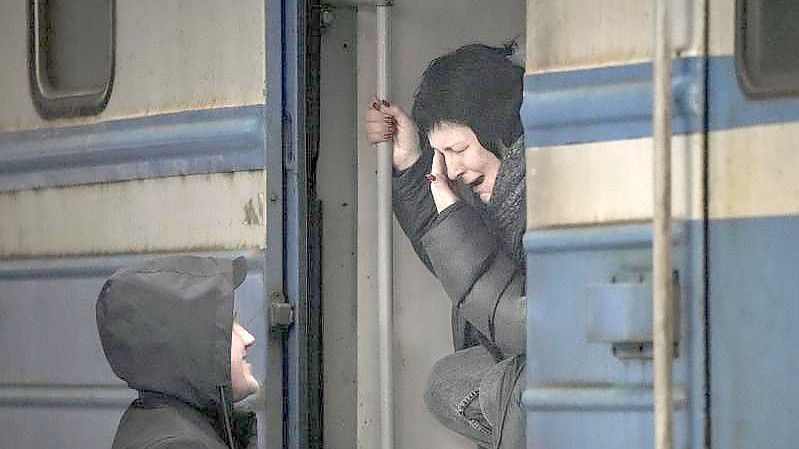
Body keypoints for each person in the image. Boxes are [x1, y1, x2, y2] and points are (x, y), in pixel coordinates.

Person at [366, 43, 527, 448]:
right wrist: (411, 162)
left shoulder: (545, 196)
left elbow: (517, 321)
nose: (450, 169)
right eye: (441, 154)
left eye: (457, 150)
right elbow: (467, 274)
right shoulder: (506, 197)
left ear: (502, 129)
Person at [96, 256, 259, 449]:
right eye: (229, 327)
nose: (248, 338)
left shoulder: (162, 425)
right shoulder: (181, 444)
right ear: (190, 343)